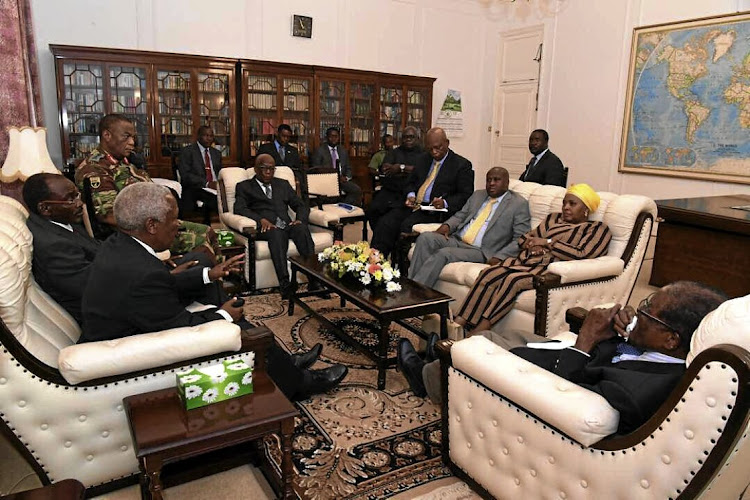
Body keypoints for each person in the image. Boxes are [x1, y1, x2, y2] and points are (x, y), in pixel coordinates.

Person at [80, 182, 347, 401]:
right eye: (173, 219)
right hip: (139, 353)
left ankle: (285, 364)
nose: (180, 225)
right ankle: (299, 384)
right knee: (250, 330)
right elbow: (181, 326)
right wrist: (224, 316)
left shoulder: (119, 245)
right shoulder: (141, 273)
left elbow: (158, 286)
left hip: (138, 324)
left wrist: (209, 274)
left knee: (209, 276)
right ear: (151, 225)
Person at [399, 281, 726, 433]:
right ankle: (435, 358)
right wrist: (623, 329)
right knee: (500, 336)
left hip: (561, 372)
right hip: (574, 354)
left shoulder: (636, 393)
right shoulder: (670, 354)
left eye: (648, 312)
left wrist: (585, 340)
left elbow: (567, 393)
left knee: (481, 344)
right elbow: (624, 356)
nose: (638, 311)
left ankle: (425, 377)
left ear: (671, 339)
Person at [453, 183, 611, 335]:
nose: (566, 207)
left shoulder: (597, 229)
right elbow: (524, 238)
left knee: (512, 281)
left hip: (546, 271)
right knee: (488, 274)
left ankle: (479, 330)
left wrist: (547, 243)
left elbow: (582, 253)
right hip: (524, 262)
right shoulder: (553, 219)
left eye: (572, 204)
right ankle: (458, 324)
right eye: (564, 203)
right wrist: (532, 245)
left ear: (586, 209)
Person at [75, 113, 214, 256]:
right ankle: (204, 276)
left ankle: (218, 275)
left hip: (155, 223)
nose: (131, 143)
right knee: (202, 242)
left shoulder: (123, 162)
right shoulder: (94, 169)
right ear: (107, 135)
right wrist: (159, 225)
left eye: (133, 138)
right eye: (126, 136)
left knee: (209, 232)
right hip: (135, 235)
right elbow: (109, 216)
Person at [409, 167, 530, 288]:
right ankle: (411, 286)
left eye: (496, 180)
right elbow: (461, 215)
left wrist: (500, 256)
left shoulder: (518, 204)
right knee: (426, 238)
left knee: (443, 254)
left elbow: (521, 238)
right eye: (488, 180)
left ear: (506, 183)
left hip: (482, 250)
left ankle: (418, 293)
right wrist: (447, 226)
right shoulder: (478, 195)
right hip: (457, 240)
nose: (491, 183)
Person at [370, 127, 474, 258]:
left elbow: (465, 195)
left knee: (405, 226)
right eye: (430, 148)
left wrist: (445, 202)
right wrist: (411, 195)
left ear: (447, 143)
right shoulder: (423, 159)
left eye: (438, 148)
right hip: (414, 205)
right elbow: (410, 183)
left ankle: (402, 268)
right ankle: (375, 262)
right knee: (385, 222)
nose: (434, 152)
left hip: (435, 211)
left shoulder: (461, 165)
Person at [233, 154, 316, 299]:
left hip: (287, 224)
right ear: (256, 169)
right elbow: (239, 209)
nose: (268, 172)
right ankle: (285, 284)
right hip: (267, 228)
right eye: (264, 168)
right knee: (276, 234)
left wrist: (299, 219)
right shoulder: (244, 187)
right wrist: (260, 220)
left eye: (272, 169)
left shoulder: (282, 184)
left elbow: (300, 205)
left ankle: (314, 280)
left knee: (302, 229)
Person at [23, 173, 99, 324]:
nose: (79, 203)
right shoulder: (53, 245)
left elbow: (96, 247)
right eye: (71, 199)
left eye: (77, 195)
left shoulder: (61, 220)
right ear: (45, 208)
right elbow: (93, 287)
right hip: (98, 316)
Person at [366, 127, 423, 230]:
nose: (408, 140)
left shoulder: (424, 153)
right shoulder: (394, 152)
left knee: (392, 217)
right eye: (405, 137)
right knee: (373, 210)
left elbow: (420, 170)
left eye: (411, 137)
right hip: (390, 189)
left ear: (417, 138)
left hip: (411, 192)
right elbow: (385, 169)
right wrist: (399, 170)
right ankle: (378, 235)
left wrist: (400, 168)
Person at [178, 125, 222, 218]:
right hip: (195, 187)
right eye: (205, 135)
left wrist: (219, 183)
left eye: (211, 136)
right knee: (215, 201)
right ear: (198, 136)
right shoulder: (187, 151)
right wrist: (207, 183)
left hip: (215, 187)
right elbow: (186, 175)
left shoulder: (216, 153)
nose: (209, 139)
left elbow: (219, 172)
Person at [310, 127, 362, 206]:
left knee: (356, 190)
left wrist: (346, 178)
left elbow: (348, 168)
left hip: (342, 180)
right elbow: (316, 169)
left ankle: (342, 207)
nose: (333, 139)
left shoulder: (343, 150)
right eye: (331, 136)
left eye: (336, 136)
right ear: (326, 137)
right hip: (326, 180)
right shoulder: (319, 151)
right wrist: (334, 177)